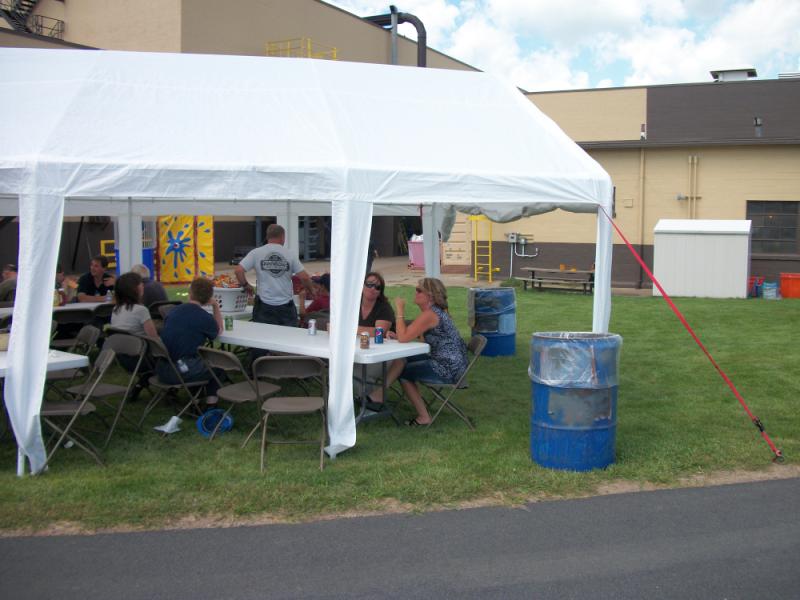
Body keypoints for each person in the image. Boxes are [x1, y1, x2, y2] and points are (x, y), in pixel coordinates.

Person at [365, 277, 468, 426]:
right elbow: (411, 336)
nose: (415, 292)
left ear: (430, 296)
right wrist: (399, 336)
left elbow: (404, 338)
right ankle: (379, 394)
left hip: (448, 367)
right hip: (452, 363)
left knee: (404, 373)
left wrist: (400, 311)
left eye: (419, 290)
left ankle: (424, 417)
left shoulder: (430, 314)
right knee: (402, 359)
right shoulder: (433, 312)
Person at [157, 277, 223, 401]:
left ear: (190, 293)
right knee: (217, 368)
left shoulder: (173, 311)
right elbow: (219, 330)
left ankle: (196, 400)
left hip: (162, 368)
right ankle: (211, 404)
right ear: (209, 297)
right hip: (182, 370)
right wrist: (215, 306)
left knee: (198, 362)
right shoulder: (204, 317)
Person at [234, 223, 312, 327]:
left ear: (267, 237)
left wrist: (246, 285)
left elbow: (238, 271)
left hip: (263, 305)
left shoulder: (256, 253)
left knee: (263, 335)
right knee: (288, 335)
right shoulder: (290, 254)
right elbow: (305, 277)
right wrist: (311, 290)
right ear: (282, 237)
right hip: (285, 305)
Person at [110, 272, 158, 339]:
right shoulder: (141, 310)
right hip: (136, 344)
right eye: (140, 283)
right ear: (135, 289)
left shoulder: (116, 309)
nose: (143, 285)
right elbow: (154, 338)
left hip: (117, 344)